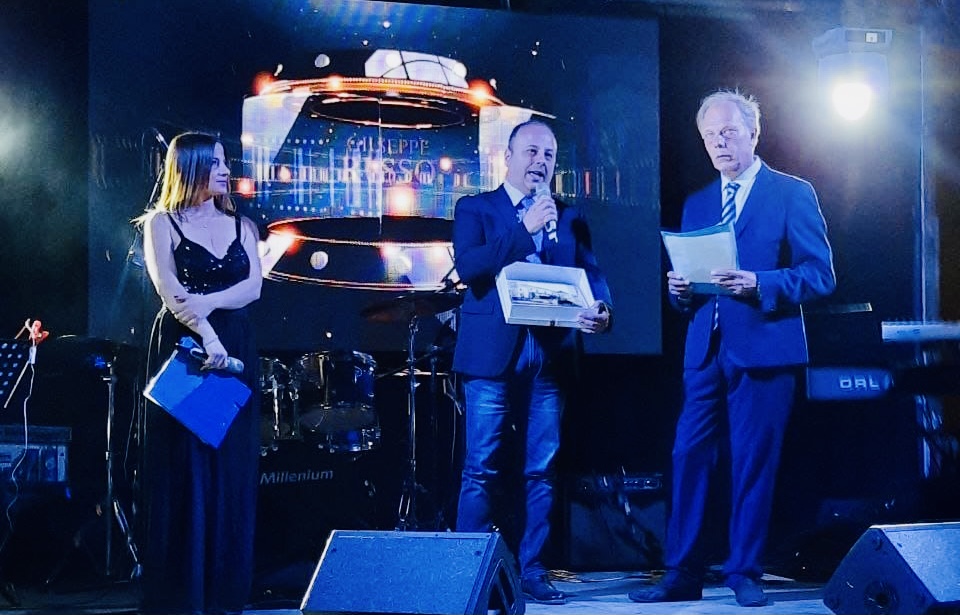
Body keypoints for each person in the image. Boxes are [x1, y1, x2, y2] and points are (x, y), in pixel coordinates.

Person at [629, 90, 836, 607]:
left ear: (753, 134)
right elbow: (692, 286)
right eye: (709, 136)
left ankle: (745, 571)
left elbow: (821, 274)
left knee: (752, 462)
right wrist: (679, 291)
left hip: (765, 347)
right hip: (705, 348)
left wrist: (760, 283)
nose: (719, 143)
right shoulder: (698, 202)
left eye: (728, 132)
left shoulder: (791, 192)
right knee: (688, 454)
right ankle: (682, 573)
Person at [452, 119, 612, 605]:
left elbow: (592, 275)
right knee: (482, 466)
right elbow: (471, 268)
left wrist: (602, 310)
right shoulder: (476, 208)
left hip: (550, 354)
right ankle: (468, 571)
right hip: (491, 353)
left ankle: (534, 569)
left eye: (548, 155)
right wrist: (524, 229)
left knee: (541, 468)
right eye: (531, 152)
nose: (540, 162)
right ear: (508, 157)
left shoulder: (569, 216)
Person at [137, 132, 262, 614]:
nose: (226, 171)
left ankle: (224, 595)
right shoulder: (161, 223)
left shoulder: (242, 225)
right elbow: (170, 290)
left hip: (236, 345)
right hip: (187, 345)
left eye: (225, 162)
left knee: (231, 469)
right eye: (215, 163)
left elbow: (252, 288)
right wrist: (208, 336)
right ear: (189, 167)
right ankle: (182, 597)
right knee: (186, 472)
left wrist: (209, 304)